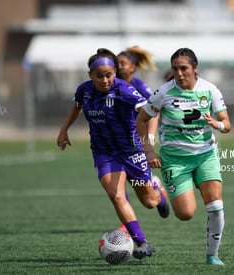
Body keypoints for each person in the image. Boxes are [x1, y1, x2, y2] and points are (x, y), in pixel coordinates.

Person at [57, 48, 170, 260]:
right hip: (105, 153)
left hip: (132, 152)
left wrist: (149, 144)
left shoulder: (125, 91)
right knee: (116, 195)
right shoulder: (85, 90)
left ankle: (159, 193)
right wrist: (64, 129)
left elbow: (152, 113)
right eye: (99, 75)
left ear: (114, 73)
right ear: (90, 75)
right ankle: (142, 242)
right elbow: (77, 106)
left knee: (149, 202)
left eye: (108, 75)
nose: (104, 80)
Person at [136, 48, 231, 265]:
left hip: (205, 155)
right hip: (175, 160)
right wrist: (149, 150)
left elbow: (227, 124)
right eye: (175, 69)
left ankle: (212, 255)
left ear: (195, 68)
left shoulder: (210, 90)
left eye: (184, 68)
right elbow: (141, 120)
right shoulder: (164, 93)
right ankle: (164, 190)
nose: (179, 73)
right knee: (185, 213)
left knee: (215, 206)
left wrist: (216, 124)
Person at [117, 45, 167, 202]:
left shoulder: (139, 86)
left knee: (146, 197)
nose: (118, 66)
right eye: (115, 63)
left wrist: (150, 138)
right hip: (116, 138)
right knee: (118, 182)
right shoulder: (109, 85)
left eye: (122, 63)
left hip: (136, 138)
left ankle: (155, 187)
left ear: (133, 67)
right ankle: (126, 225)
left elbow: (154, 112)